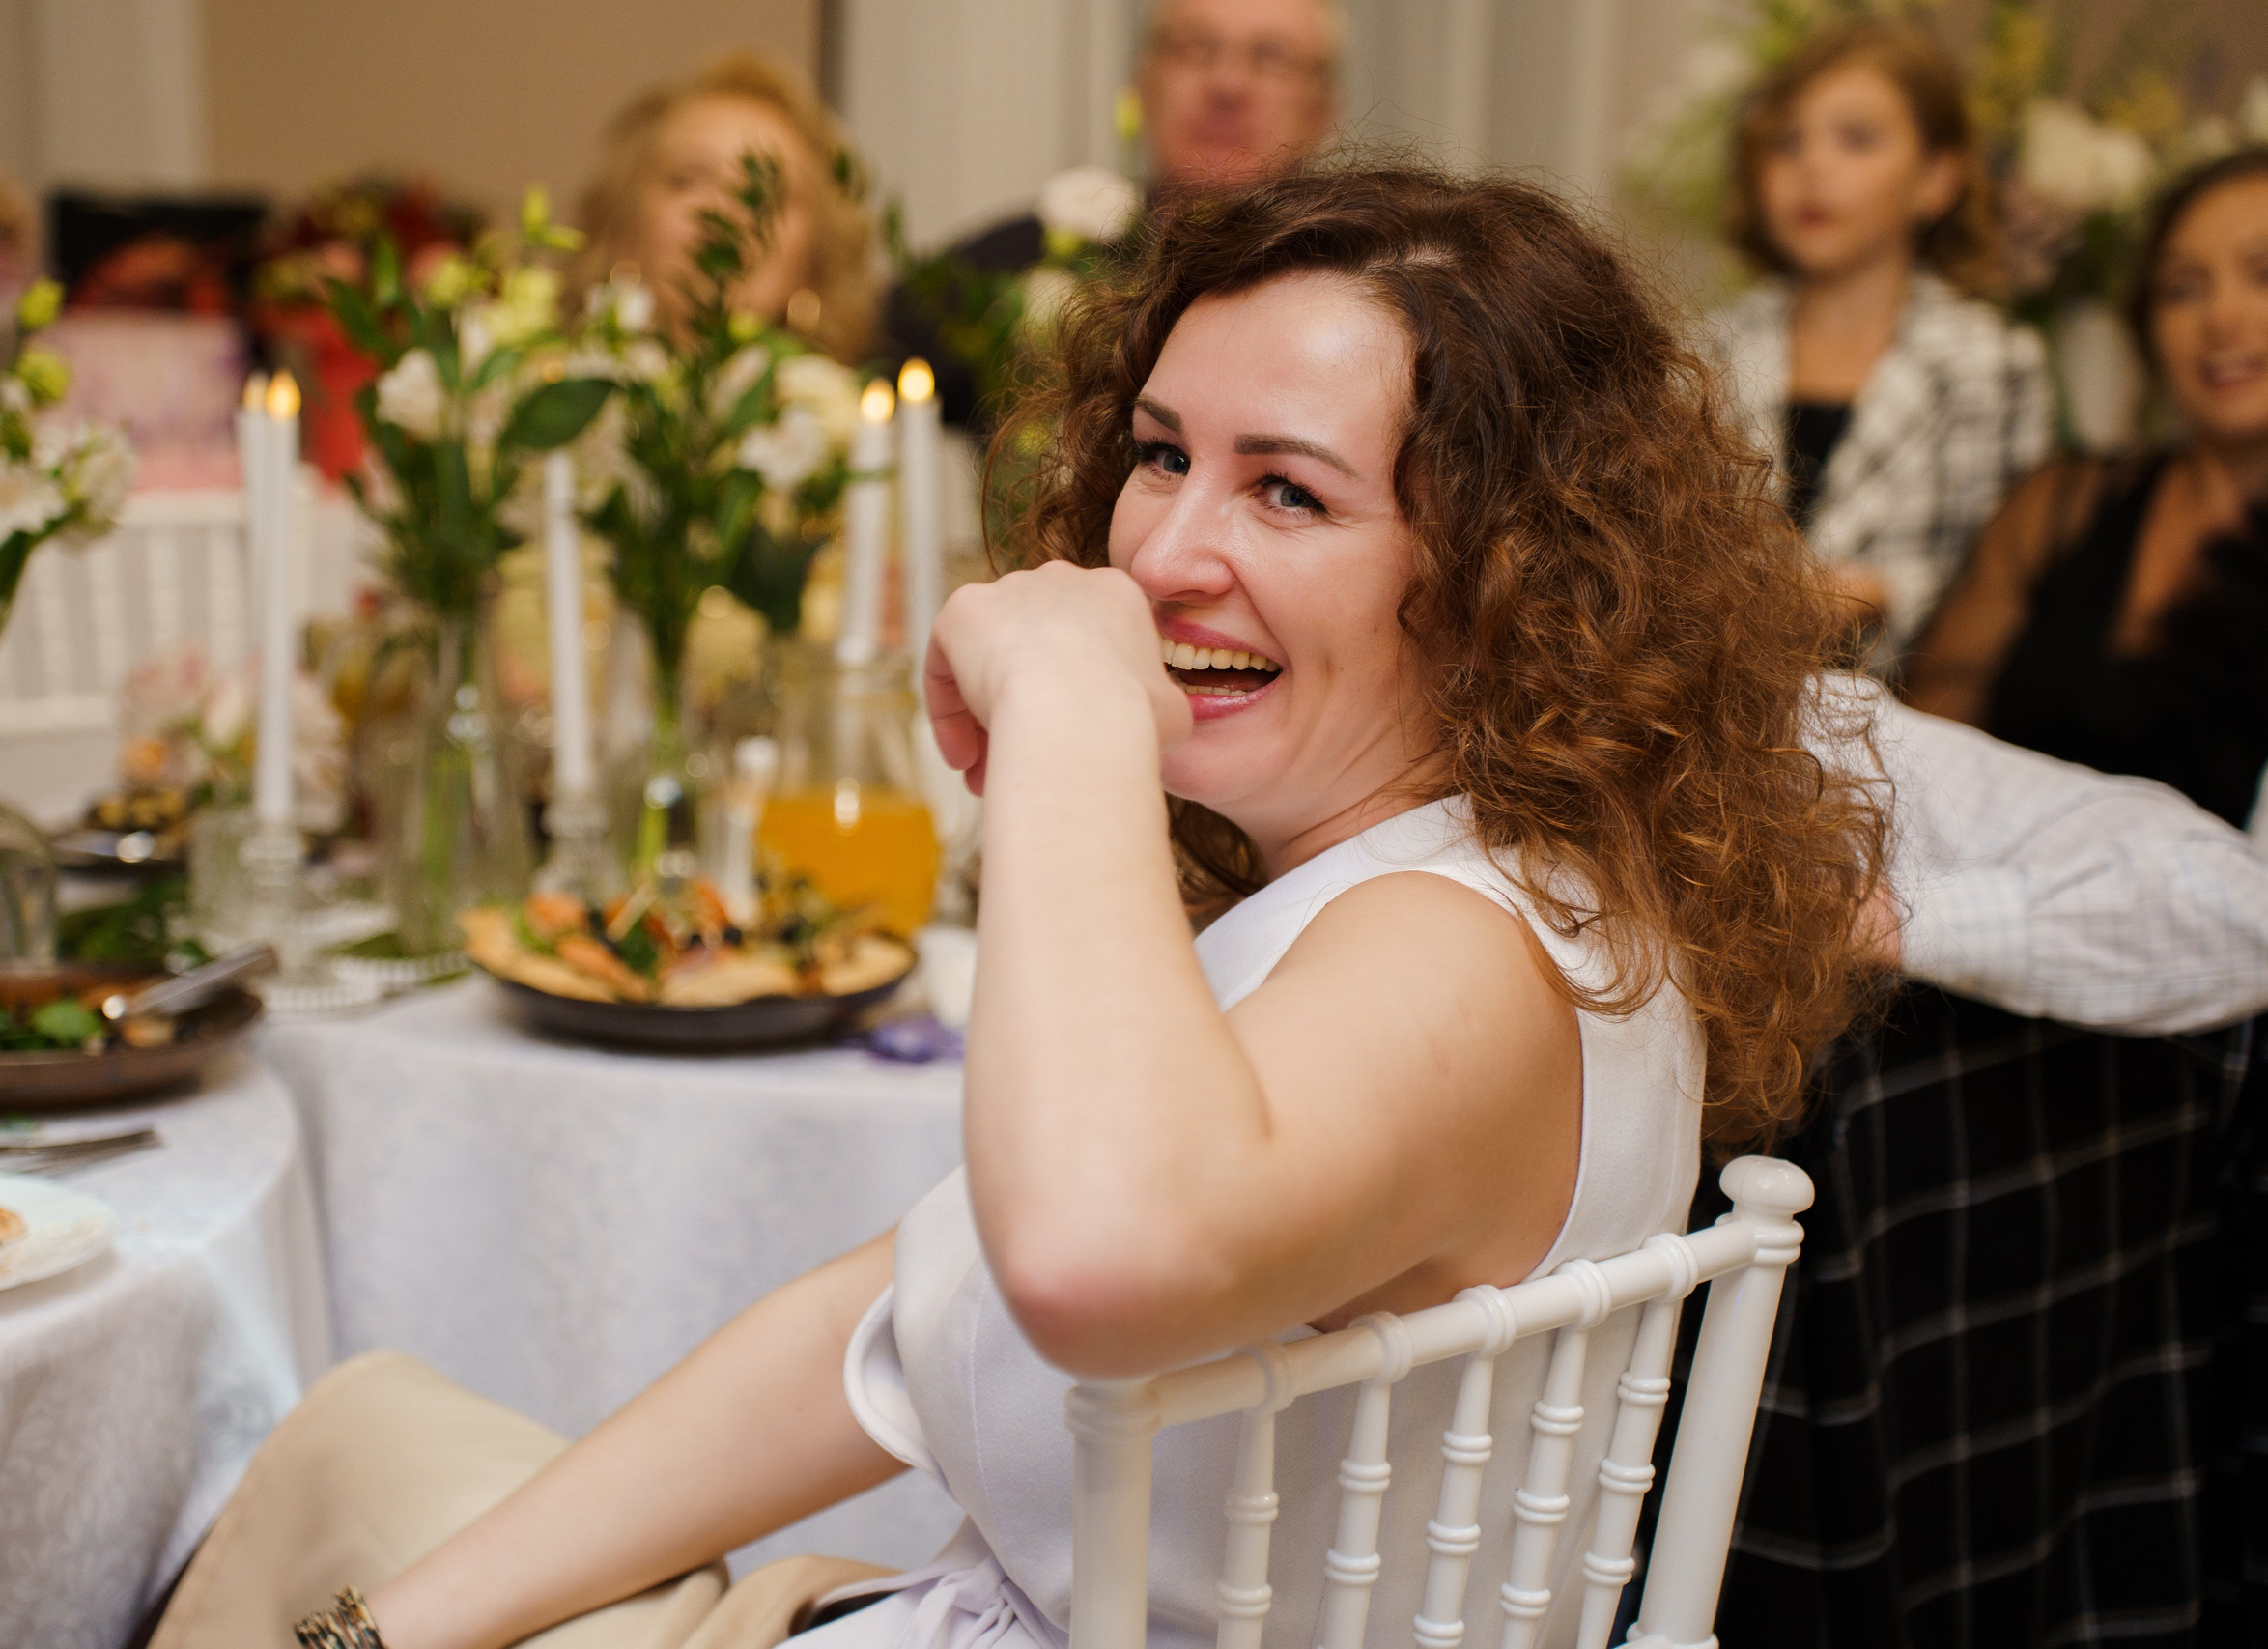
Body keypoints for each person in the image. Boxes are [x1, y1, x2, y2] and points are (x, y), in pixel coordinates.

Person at [156, 167, 2268, 1649]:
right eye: (1157, 455)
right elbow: (897, 1324)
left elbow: (1083, 1256)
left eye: (1287, 490)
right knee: (366, 1464)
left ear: (1515, 573)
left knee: (288, 1444)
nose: (1159, 548)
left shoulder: (1456, 956)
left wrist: (1072, 714)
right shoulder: (1463, 881)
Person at [1907, 148, 2268, 831]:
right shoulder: (2060, 505)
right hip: (1979, 910)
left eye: (2264, 275)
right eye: (2183, 288)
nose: (2223, 318)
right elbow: (1928, 738)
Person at [1705, 19, 2050, 666]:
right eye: (1786, 143)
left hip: (1908, 720)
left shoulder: (1994, 362)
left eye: (1856, 140)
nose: (1812, 167)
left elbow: (2004, 583)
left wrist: (1884, 597)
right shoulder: (1707, 348)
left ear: (1936, 180)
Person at [888, 0, 1342, 430]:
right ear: (1143, 83)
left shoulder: (1352, 285)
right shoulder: (1025, 261)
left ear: (1322, 111)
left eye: (1271, 58)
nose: (1227, 85)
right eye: (1195, 49)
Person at [570, 52, 877, 365]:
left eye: (764, 193)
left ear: (815, 261)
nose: (725, 212)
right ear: (623, 230)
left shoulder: (853, 413)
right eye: (687, 181)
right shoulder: (535, 393)